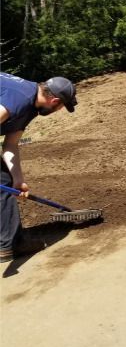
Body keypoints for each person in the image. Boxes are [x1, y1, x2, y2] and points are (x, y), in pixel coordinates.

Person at [0, 74, 77, 263]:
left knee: (6, 179)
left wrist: (18, 179)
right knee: (2, 183)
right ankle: (11, 244)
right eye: (60, 107)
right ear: (55, 100)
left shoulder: (31, 104)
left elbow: (10, 145)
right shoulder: (20, 99)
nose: (58, 110)